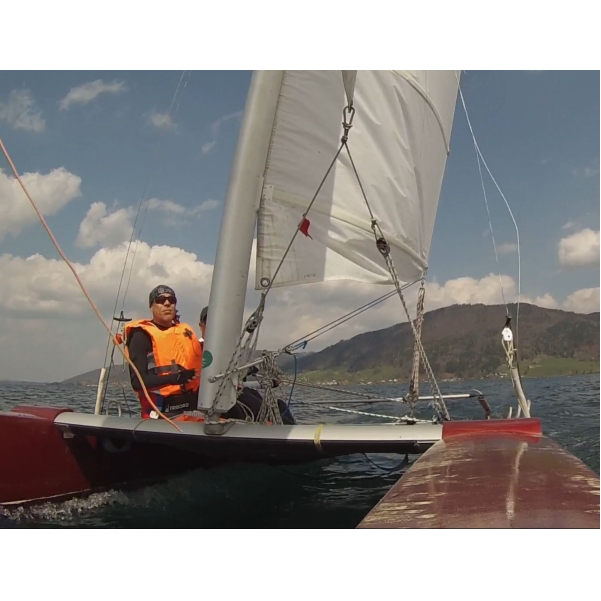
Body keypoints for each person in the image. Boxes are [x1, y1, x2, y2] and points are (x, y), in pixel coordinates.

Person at [199, 305, 295, 425]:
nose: (215, 326)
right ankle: (287, 433)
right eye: (210, 322)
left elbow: (237, 382)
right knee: (256, 405)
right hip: (217, 400)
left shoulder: (228, 354)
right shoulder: (196, 351)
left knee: (279, 405)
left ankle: (294, 431)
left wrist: (264, 383)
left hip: (234, 393)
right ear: (201, 326)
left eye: (219, 323)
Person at [124, 285, 202, 418]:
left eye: (171, 300)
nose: (167, 303)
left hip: (192, 408)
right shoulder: (141, 336)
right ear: (151, 306)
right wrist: (174, 378)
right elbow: (137, 382)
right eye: (160, 300)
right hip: (161, 413)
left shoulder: (184, 332)